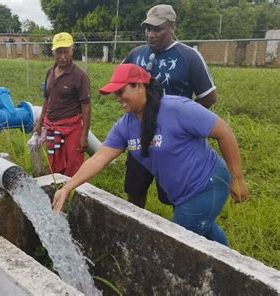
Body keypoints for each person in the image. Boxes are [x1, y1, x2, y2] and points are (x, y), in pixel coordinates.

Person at [52, 64, 248, 246]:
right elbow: (99, 158)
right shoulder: (126, 125)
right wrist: (67, 187)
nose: (118, 98)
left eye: (121, 92)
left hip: (207, 183)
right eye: (115, 94)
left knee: (178, 244)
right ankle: (239, 269)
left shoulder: (176, 108)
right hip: (182, 194)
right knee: (204, 230)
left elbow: (224, 132)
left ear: (139, 86)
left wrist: (237, 178)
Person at [122, 4, 218, 208]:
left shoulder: (188, 57)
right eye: (148, 28)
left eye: (158, 29)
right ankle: (134, 225)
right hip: (138, 135)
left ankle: (179, 230)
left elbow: (209, 97)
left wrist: (182, 120)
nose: (151, 34)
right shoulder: (136, 54)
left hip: (171, 141)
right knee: (135, 189)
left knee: (174, 192)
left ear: (172, 27)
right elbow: (120, 83)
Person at [34, 32, 91, 177]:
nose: (63, 56)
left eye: (66, 51)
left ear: (72, 50)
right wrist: (40, 123)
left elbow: (86, 106)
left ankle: (73, 192)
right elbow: (46, 99)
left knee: (73, 162)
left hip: (71, 127)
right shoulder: (50, 72)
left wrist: (84, 136)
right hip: (52, 127)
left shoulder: (80, 76)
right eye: (59, 52)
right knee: (54, 161)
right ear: (53, 52)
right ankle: (57, 190)